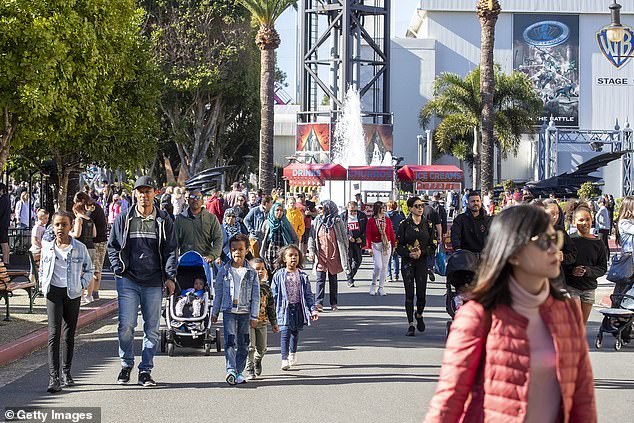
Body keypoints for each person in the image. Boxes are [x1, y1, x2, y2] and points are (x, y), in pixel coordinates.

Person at [424, 205, 597, 423]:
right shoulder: (477, 316)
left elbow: (583, 398)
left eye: (556, 239)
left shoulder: (566, 313)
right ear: (513, 254)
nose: (554, 248)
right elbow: (449, 399)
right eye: (544, 241)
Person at [107, 176, 177, 387]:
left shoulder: (164, 220)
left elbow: (171, 249)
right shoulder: (123, 219)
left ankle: (145, 370)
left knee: (152, 328)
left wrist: (170, 276)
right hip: (128, 279)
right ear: (135, 194)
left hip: (154, 280)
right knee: (126, 325)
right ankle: (126, 364)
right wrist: (118, 268)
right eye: (140, 191)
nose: (144, 195)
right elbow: (112, 247)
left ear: (154, 193)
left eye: (148, 191)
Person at [41, 211, 94, 393]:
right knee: (53, 334)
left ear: (71, 226)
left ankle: (66, 372)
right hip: (53, 292)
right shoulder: (48, 247)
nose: (60, 228)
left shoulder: (79, 248)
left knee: (68, 334)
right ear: (53, 227)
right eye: (57, 225)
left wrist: (81, 284)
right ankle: (53, 377)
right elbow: (42, 268)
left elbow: (89, 269)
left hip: (72, 293)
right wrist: (43, 285)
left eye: (64, 224)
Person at [211, 234, 260, 385]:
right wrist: (214, 311)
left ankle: (238, 371)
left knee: (244, 343)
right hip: (229, 311)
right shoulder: (224, 270)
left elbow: (256, 295)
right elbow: (218, 292)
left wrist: (254, 316)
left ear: (247, 250)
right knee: (230, 342)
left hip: (245, 312)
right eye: (234, 249)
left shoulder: (251, 272)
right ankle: (230, 370)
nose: (237, 252)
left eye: (240, 249)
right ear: (230, 251)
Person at [271, 244, 318, 370]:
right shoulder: (279, 275)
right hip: (283, 309)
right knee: (285, 332)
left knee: (295, 333)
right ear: (284, 258)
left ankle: (292, 354)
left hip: (298, 308)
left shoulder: (302, 275)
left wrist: (312, 309)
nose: (293, 258)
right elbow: (273, 294)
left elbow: (308, 294)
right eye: (290, 255)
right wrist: (271, 311)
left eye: (296, 255)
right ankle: (284, 359)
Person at [396, 197, 436, 336]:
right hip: (408, 262)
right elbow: (398, 246)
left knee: (421, 295)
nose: (420, 208)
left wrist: (422, 252)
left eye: (422, 206)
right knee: (409, 294)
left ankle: (419, 314)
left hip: (422, 262)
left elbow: (433, 245)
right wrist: (408, 253)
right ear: (410, 208)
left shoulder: (428, 224)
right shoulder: (404, 224)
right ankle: (410, 324)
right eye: (417, 206)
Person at [565, 203, 608, 323]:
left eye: (587, 219)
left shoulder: (598, 243)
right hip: (572, 286)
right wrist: (572, 270)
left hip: (589, 288)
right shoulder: (570, 240)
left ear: (592, 220)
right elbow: (563, 263)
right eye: (581, 220)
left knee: (582, 324)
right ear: (574, 222)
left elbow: (602, 268)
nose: (585, 223)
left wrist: (588, 271)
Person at [308, 200, 350, 311]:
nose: (319, 210)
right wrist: (311, 251)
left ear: (328, 209)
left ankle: (334, 303)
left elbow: (344, 238)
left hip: (334, 254)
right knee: (320, 279)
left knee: (333, 279)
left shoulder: (337, 221)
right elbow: (312, 237)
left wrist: (345, 252)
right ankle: (319, 303)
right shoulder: (317, 221)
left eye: (321, 208)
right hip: (321, 255)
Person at [245, 258, 279, 380]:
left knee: (262, 348)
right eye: (257, 269)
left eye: (262, 269)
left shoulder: (266, 288)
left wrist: (274, 322)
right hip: (248, 322)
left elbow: (270, 306)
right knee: (250, 347)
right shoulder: (246, 287)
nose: (260, 271)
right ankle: (250, 369)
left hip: (262, 322)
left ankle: (257, 360)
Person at [74, 192, 108, 301]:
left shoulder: (90, 210)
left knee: (91, 269)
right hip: (99, 239)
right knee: (95, 268)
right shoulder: (95, 206)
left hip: (95, 242)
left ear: (82, 201)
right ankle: (94, 292)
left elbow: (84, 227)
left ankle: (91, 293)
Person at [175, 189, 223, 264]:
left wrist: (212, 256)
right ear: (188, 200)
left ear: (202, 201)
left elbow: (218, 239)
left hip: (205, 262)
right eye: (192, 197)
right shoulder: (180, 219)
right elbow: (174, 241)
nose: (195, 200)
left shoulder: (211, 218)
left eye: (198, 198)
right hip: (185, 262)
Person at [366, 201, 396, 296]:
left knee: (384, 267)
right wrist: (369, 247)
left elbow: (391, 232)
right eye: (382, 207)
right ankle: (373, 285)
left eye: (384, 207)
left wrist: (394, 245)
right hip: (375, 245)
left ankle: (381, 287)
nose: (384, 209)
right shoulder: (371, 221)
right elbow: (368, 234)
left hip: (386, 245)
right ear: (378, 209)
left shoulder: (387, 220)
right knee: (378, 266)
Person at [450, 190, 491, 256]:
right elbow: (455, 235)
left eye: (478, 201)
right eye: (472, 201)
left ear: (481, 203)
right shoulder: (460, 219)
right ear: (467, 204)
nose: (475, 203)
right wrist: (457, 249)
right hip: (466, 257)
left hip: (485, 256)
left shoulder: (488, 220)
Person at [71, 201, 97, 304]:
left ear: (76, 210)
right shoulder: (90, 219)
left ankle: (80, 295)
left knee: (80, 272)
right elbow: (94, 234)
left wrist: (69, 233)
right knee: (90, 272)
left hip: (81, 247)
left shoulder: (79, 219)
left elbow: (77, 234)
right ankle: (89, 295)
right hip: (91, 247)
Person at [260, 202, 299, 269]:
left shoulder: (286, 223)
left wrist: (292, 251)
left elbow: (295, 238)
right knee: (271, 277)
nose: (279, 212)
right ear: (273, 211)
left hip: (283, 255)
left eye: (281, 210)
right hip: (270, 254)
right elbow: (262, 238)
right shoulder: (267, 223)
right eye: (277, 210)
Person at [341, 201, 368, 287]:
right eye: (351, 211)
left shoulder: (362, 216)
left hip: (357, 242)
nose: (353, 213)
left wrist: (362, 238)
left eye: (355, 211)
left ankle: (351, 275)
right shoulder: (342, 216)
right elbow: (340, 230)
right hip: (347, 243)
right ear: (347, 209)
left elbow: (366, 228)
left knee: (358, 260)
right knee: (348, 260)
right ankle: (350, 279)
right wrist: (348, 236)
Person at [385, 201, 405, 283]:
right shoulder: (400, 217)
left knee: (387, 258)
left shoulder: (384, 216)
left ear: (388, 207)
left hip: (387, 238)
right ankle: (396, 275)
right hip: (397, 238)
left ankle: (388, 275)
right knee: (395, 257)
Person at [0, 183, 11, 265]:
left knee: (3, 243)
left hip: (1, 224)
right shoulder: (7, 199)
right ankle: (6, 260)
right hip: (5, 223)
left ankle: (5, 260)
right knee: (5, 242)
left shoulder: (3, 200)